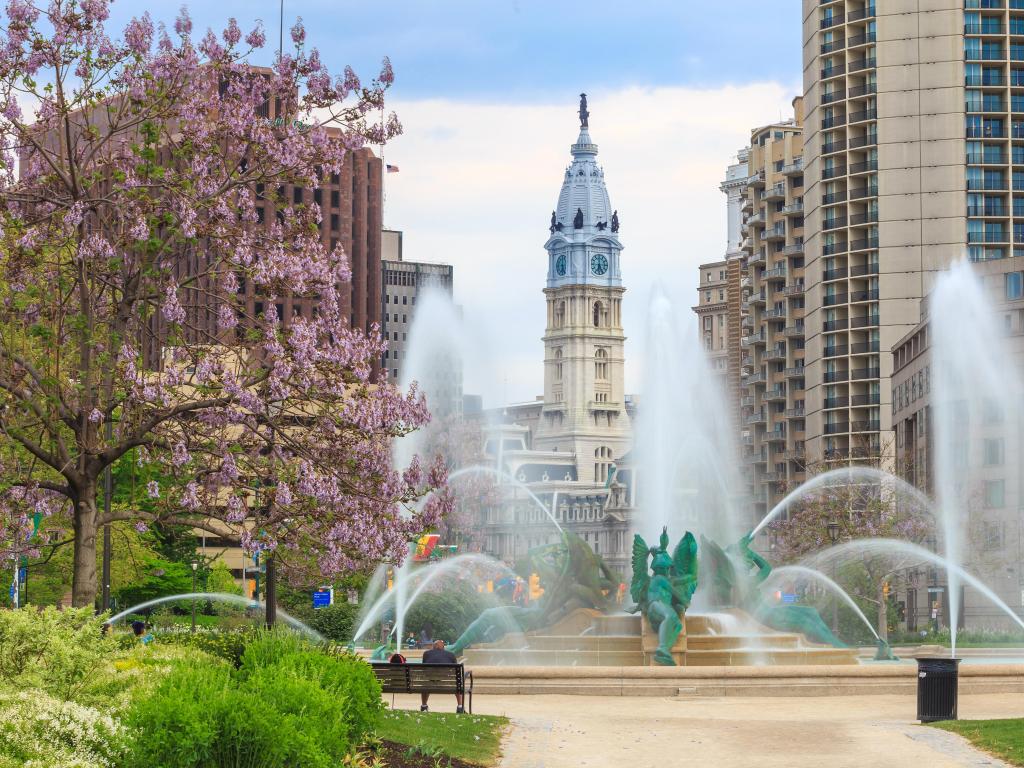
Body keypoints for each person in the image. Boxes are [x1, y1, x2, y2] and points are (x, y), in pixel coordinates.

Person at [420, 639, 464, 714]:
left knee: (426, 683)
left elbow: (424, 668)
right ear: (443, 647)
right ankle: (460, 707)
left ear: (434, 647)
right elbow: (455, 670)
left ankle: (424, 706)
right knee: (458, 683)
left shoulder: (426, 654)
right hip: (447, 683)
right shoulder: (451, 654)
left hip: (430, 682)